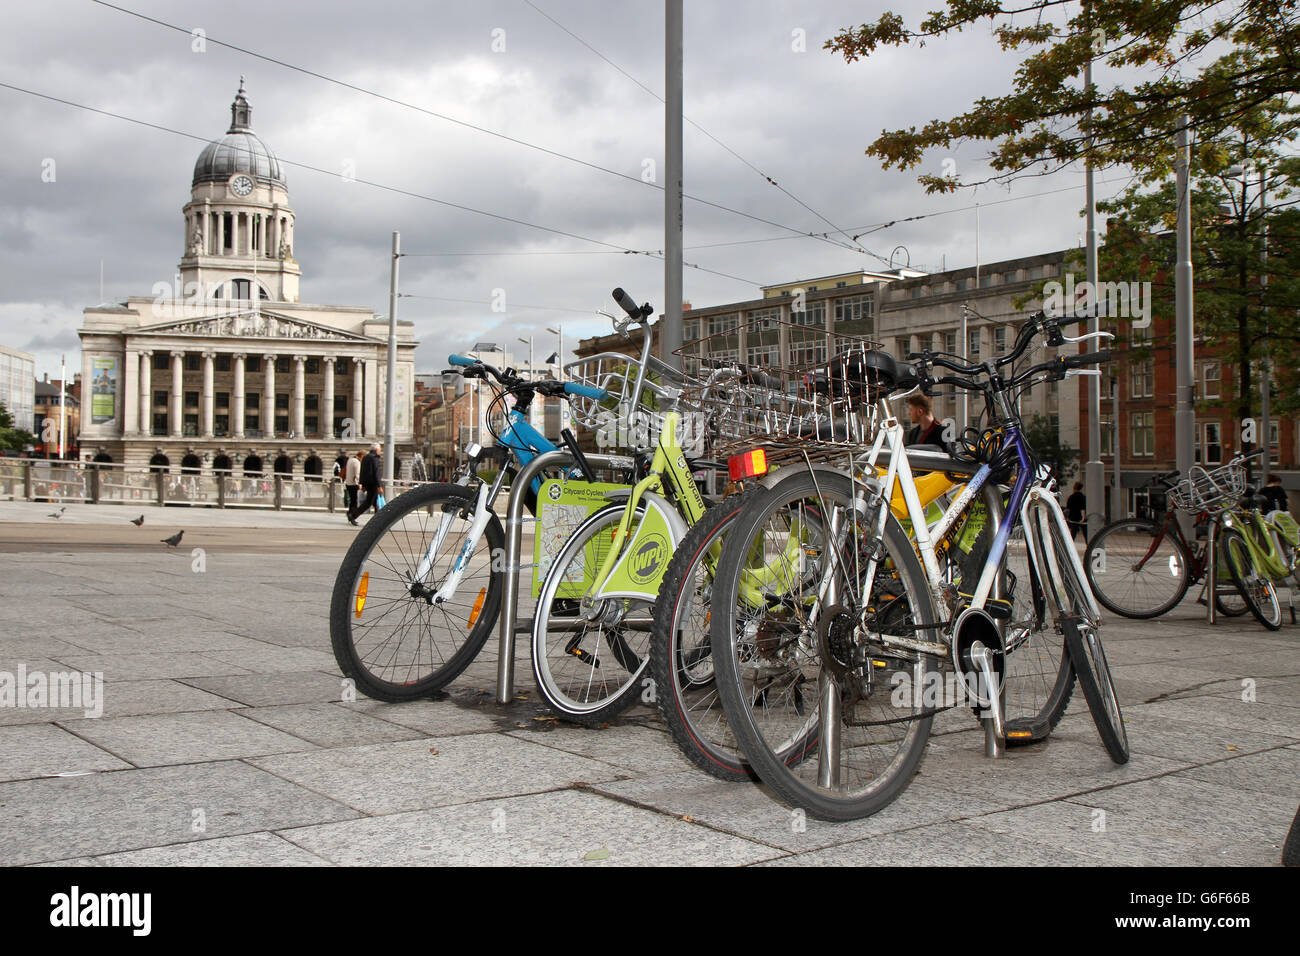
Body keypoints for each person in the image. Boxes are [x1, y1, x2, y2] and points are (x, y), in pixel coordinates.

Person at [349, 443, 384, 522]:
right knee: (368, 502)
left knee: (375, 503)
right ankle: (353, 515)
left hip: (367, 483)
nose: (380, 451)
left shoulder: (365, 457)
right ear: (377, 450)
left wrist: (363, 484)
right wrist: (379, 486)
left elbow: (362, 471)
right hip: (373, 484)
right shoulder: (374, 458)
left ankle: (378, 520)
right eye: (380, 449)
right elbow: (376, 472)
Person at [344, 450, 362, 525]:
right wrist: (359, 484)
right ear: (361, 456)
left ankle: (350, 513)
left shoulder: (350, 460)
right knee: (354, 501)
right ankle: (352, 516)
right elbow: (357, 474)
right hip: (354, 484)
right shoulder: (357, 462)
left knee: (352, 500)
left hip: (348, 483)